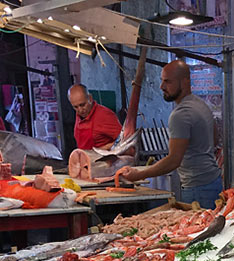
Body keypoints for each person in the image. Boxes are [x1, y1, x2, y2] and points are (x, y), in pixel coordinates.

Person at [117, 60, 222, 209]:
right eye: (162, 81)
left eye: (168, 81)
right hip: (213, 181)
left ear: (185, 82)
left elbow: (174, 160)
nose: (162, 86)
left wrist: (139, 175)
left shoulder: (180, 114)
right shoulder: (201, 104)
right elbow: (215, 138)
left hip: (197, 188)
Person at [69, 84, 122, 150]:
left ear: (90, 98)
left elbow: (123, 140)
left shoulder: (105, 115)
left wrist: (101, 150)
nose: (80, 110)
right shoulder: (79, 115)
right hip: (84, 158)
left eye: (82, 105)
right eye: (75, 107)